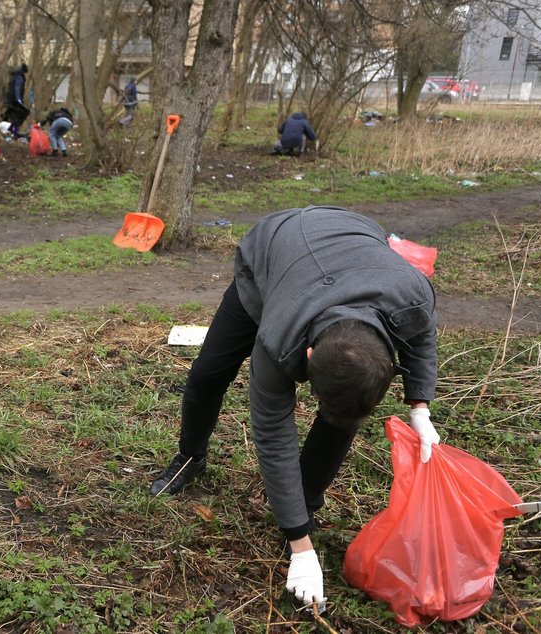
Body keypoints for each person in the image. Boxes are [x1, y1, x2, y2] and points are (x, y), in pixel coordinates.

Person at [148, 205, 439, 613]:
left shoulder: (412, 292)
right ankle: (191, 456)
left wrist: (420, 406)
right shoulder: (278, 339)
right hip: (273, 250)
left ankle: (306, 500)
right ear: (306, 355)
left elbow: (421, 334)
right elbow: (273, 436)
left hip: (349, 237)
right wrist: (302, 548)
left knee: (344, 410)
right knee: (209, 373)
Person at [4, 63, 30, 140]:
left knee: (15, 117)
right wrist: (19, 100)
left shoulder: (13, 77)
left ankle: (13, 131)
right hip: (15, 100)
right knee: (21, 115)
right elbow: (17, 88)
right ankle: (14, 132)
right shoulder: (20, 77)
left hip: (10, 99)